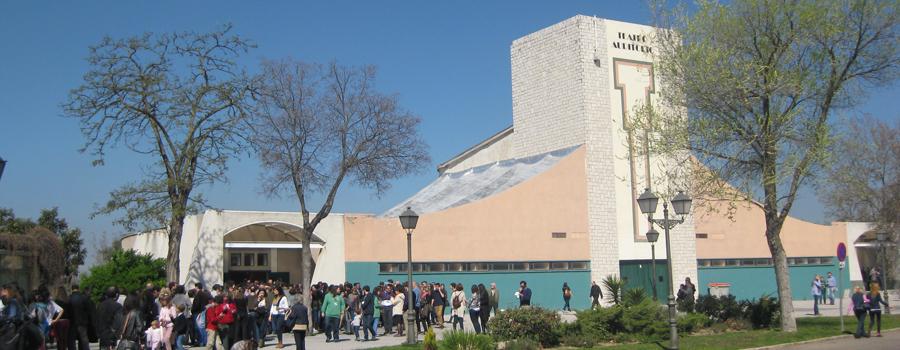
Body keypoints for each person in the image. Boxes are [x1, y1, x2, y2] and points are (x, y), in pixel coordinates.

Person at [67, 284, 93, 350]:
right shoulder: (84, 298)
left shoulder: (69, 299)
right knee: (84, 341)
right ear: (78, 289)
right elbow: (89, 310)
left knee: (72, 342)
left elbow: (67, 312)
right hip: (82, 323)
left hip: (72, 323)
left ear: (72, 289)